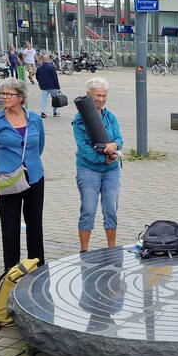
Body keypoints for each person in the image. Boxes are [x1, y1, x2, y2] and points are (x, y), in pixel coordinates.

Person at [0, 77, 45, 270]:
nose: (4, 97)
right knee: (10, 225)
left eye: (8, 94)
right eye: (2, 93)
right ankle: (10, 268)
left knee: (34, 222)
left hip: (34, 176)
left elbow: (39, 145)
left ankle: (37, 264)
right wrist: (8, 163)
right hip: (9, 177)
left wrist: (28, 164)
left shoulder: (35, 119)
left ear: (21, 97)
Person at [73, 77, 124, 252]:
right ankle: (84, 250)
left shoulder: (110, 116)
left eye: (103, 96)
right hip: (88, 170)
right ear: (88, 96)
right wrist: (104, 158)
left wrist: (114, 146)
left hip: (111, 171)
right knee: (88, 209)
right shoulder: (79, 120)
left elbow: (119, 138)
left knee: (110, 209)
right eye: (96, 97)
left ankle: (111, 248)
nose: (101, 100)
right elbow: (84, 148)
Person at [35, 53, 61, 118]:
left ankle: (43, 112)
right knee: (55, 100)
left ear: (42, 60)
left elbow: (37, 77)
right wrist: (58, 87)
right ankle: (55, 112)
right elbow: (55, 78)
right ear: (48, 59)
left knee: (43, 100)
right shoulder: (52, 67)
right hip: (52, 86)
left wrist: (40, 83)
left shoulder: (39, 68)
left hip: (44, 86)